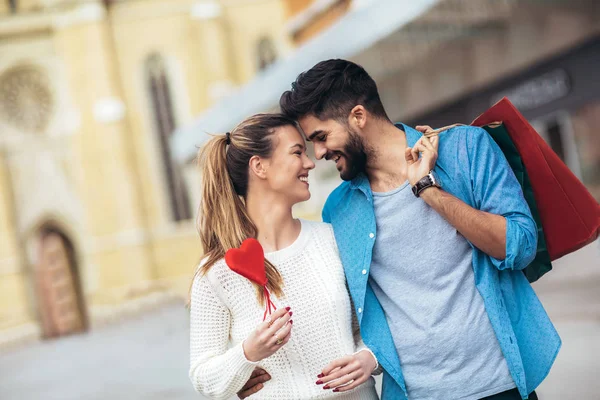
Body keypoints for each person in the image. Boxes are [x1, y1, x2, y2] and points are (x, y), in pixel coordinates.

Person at [272, 59, 561, 400]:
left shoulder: (465, 149)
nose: (318, 153)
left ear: (358, 116)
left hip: (499, 385)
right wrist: (259, 365)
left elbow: (520, 245)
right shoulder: (338, 209)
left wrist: (428, 190)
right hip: (414, 393)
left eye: (321, 137)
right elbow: (336, 307)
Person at [189, 113, 380, 400]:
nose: (309, 162)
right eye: (297, 152)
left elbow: (369, 328)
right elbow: (204, 378)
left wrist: (369, 359)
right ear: (259, 166)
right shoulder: (217, 272)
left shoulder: (331, 239)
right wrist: (247, 353)